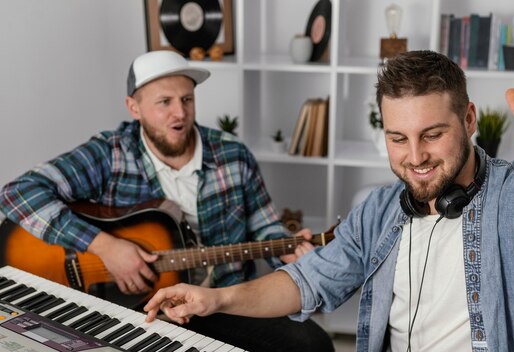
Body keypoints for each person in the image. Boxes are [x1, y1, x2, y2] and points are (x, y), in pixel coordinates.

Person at [143, 48, 514, 352]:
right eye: (398, 138)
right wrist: (217, 298)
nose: (415, 157)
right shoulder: (379, 209)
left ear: (470, 118)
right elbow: (307, 282)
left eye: (432, 134)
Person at [0, 50, 334, 352]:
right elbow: (17, 193)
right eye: (165, 102)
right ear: (134, 108)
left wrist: (286, 249)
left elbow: (265, 227)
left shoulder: (233, 155)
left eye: (187, 99)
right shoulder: (109, 154)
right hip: (139, 308)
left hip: (223, 301)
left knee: (312, 345)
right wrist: (105, 248)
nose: (180, 113)